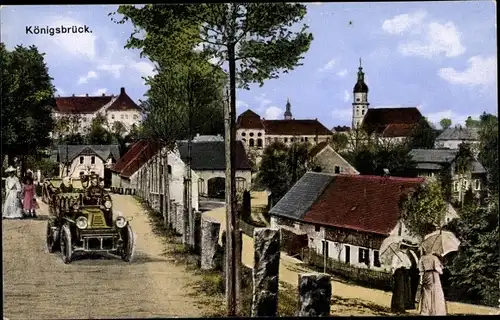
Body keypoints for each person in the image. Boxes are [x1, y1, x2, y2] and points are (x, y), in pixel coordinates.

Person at [417, 249, 447, 315]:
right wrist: (441, 269)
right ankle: (436, 311)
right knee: (436, 292)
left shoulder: (422, 258)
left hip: (426, 275)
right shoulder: (434, 258)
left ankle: (425, 311)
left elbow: (421, 269)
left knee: (426, 293)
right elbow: (437, 268)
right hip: (434, 275)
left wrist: (421, 279)